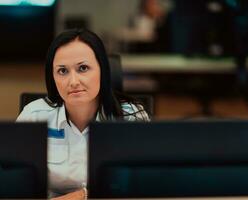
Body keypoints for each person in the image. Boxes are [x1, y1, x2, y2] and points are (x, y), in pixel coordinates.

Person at [16, 29, 150, 199]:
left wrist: (82, 195)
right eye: (62, 71)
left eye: (83, 68)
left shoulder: (131, 117)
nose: (73, 82)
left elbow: (142, 183)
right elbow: (15, 182)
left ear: (103, 70)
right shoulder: (34, 116)